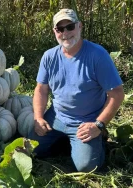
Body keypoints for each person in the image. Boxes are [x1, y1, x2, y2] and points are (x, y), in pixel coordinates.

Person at [28, 8, 125, 172]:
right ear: (55, 32)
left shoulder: (97, 55)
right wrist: (38, 117)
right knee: (31, 151)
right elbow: (41, 90)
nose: (65, 33)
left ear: (79, 26)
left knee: (86, 166)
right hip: (56, 117)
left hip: (86, 121)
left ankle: (98, 139)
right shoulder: (49, 56)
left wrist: (98, 125)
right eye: (60, 29)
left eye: (70, 27)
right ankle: (66, 140)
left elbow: (117, 94)